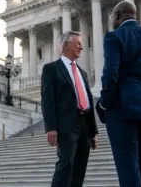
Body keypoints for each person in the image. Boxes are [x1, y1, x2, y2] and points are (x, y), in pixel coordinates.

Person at [95, 0, 141, 187]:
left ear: (117, 16)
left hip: (122, 107)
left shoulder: (114, 37)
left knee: (127, 162)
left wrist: (103, 103)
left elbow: (110, 74)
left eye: (113, 17)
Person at [41, 30, 99, 187]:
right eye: (78, 43)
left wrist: (93, 131)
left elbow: (88, 101)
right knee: (65, 165)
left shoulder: (83, 73)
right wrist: (51, 127)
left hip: (84, 125)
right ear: (65, 45)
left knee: (80, 168)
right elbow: (47, 100)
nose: (81, 47)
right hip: (67, 125)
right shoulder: (51, 69)